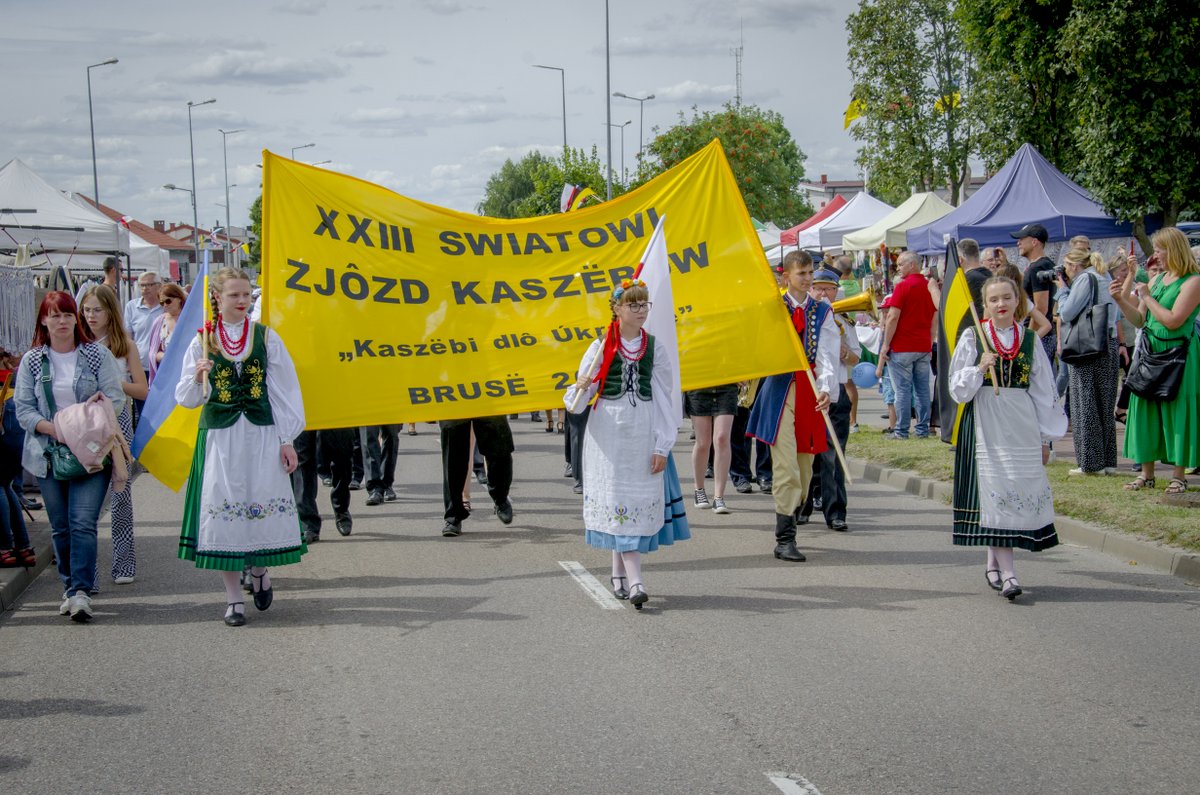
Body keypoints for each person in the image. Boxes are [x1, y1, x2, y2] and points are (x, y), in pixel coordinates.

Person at [176, 267, 306, 627]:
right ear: (217, 298)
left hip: (260, 435)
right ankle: (233, 598)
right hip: (220, 438)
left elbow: (284, 392)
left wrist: (286, 439)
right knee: (226, 509)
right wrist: (197, 376)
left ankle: (261, 569)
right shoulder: (202, 340)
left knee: (258, 501)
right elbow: (186, 399)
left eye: (246, 294)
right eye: (234, 295)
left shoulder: (265, 337)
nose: (243, 301)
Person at [563, 278, 689, 609]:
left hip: (642, 430)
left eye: (644, 304)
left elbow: (665, 398)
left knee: (633, 501)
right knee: (617, 499)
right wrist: (583, 386)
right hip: (607, 435)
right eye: (633, 305)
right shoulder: (601, 347)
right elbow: (576, 405)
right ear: (617, 309)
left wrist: (663, 444)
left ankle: (620, 574)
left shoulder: (655, 348)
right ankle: (635, 581)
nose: (640, 311)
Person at [949, 276, 1067, 600]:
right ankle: (1011, 574)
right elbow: (957, 389)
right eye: (993, 300)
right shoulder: (974, 336)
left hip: (1022, 424)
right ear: (984, 305)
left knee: (1012, 493)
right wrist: (978, 368)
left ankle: (993, 563)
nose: (1000, 305)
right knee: (995, 491)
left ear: (1018, 302)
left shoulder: (1028, 340)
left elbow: (1044, 391)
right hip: (987, 423)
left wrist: (1046, 437)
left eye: (1006, 298)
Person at [13, 292, 125, 621]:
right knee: (60, 527)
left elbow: (115, 398)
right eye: (55, 315)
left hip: (90, 454)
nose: (62, 322)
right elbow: (23, 409)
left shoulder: (95, 355)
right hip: (46, 454)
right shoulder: (32, 361)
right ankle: (67, 586)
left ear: (75, 319)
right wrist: (55, 428)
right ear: (43, 321)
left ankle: (80, 591)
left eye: (67, 315)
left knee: (82, 523)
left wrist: (84, 426)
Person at [746, 250, 839, 562]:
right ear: (786, 277)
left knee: (803, 470)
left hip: (809, 391)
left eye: (810, 272)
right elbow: (757, 347)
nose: (808, 278)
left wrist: (826, 388)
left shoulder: (821, 311)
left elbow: (827, 353)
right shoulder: (773, 308)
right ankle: (785, 539)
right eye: (802, 274)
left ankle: (795, 508)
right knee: (785, 468)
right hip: (779, 392)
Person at [1110, 227, 1200, 494]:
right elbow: (1140, 319)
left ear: (1175, 250)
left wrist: (1147, 296)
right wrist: (1120, 300)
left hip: (1179, 355)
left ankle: (1178, 476)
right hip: (1149, 352)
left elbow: (1174, 320)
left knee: (1178, 412)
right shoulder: (1158, 279)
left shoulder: (1193, 281)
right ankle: (1146, 475)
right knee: (1144, 409)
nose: (1155, 255)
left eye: (1160, 249)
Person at [80, 285, 147, 584]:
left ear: (111, 312)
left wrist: (112, 384)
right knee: (86, 497)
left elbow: (142, 389)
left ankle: (124, 563)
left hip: (119, 419)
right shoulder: (77, 344)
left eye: (97, 310)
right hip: (86, 423)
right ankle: (87, 570)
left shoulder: (125, 345)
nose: (91, 316)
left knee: (121, 493)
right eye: (87, 309)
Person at [798, 268, 857, 531]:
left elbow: (856, 359)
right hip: (809, 392)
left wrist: (845, 353)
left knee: (834, 456)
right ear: (811, 290)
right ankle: (802, 505)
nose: (823, 293)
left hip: (837, 393)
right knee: (806, 453)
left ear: (836, 291)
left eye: (828, 289)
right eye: (818, 288)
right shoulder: (804, 317)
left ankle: (835, 512)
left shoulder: (844, 321)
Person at [1056, 249, 1119, 475]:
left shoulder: (1084, 279)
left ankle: (1091, 464)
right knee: (1104, 404)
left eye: (1066, 267)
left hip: (1086, 346)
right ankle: (1108, 460)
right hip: (1108, 342)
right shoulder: (1104, 276)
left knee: (1085, 403)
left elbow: (1067, 313)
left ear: (1073, 266)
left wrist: (1063, 292)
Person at [875, 251, 935, 439]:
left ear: (912, 265)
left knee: (902, 390)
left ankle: (901, 430)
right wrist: (930, 341)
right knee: (922, 389)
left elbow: (892, 317)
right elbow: (934, 318)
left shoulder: (902, 287)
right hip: (922, 345)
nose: (898, 268)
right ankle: (922, 429)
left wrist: (885, 345)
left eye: (901, 264)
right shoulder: (929, 287)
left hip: (902, 346)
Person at [438, 416, 514, 537]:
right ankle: (453, 516)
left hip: (488, 401)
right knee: (453, 455)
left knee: (499, 448)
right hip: (453, 404)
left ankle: (501, 498)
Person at [685, 382, 738, 513]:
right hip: (699, 383)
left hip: (727, 383)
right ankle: (699, 489)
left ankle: (719, 496)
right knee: (703, 442)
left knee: (722, 438)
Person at [1014, 223, 1059, 369]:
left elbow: (1041, 307)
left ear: (1034, 242)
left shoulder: (1037, 268)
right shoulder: (1047, 264)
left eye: (1022, 239)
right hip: (1046, 334)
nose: (1018, 242)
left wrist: (1030, 338)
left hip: (1040, 336)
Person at [123, 271, 164, 419]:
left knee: (161, 409)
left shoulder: (166, 306)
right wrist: (127, 362)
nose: (145, 288)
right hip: (140, 367)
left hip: (160, 366)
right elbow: (128, 336)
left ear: (159, 286)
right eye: (142, 285)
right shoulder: (132, 307)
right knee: (143, 412)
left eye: (149, 285)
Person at [146, 282, 187, 384]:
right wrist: (163, 357)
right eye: (161, 303)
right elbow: (153, 351)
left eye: (168, 301)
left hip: (187, 372)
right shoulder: (159, 321)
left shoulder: (190, 319)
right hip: (167, 375)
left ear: (179, 299)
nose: (165, 305)